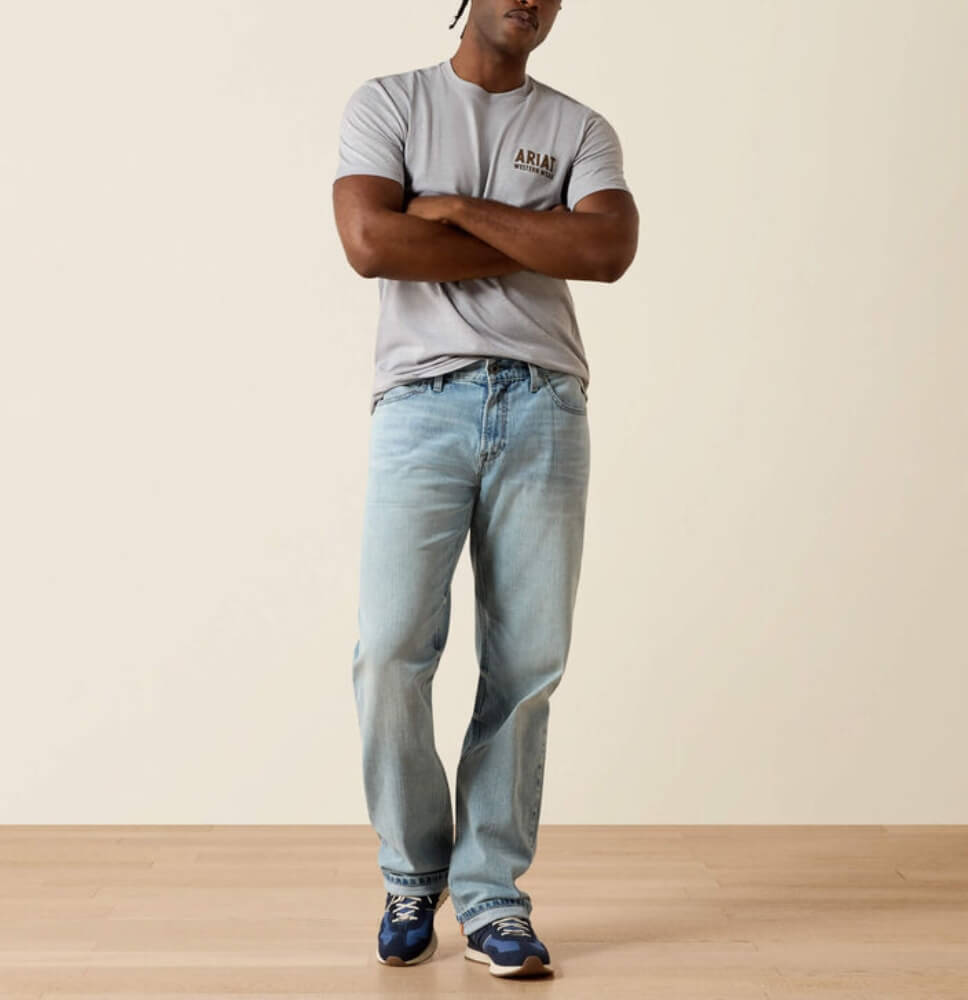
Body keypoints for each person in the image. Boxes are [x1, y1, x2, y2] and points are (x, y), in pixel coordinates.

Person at [332, 0, 638, 979]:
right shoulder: (390, 103)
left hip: (545, 403)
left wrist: (455, 209)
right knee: (390, 649)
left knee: (527, 663)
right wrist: (541, 236)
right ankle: (411, 875)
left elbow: (605, 252)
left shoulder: (579, 127)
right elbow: (372, 244)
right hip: (420, 402)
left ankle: (493, 896)